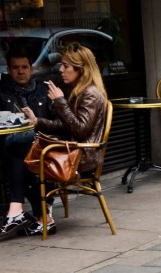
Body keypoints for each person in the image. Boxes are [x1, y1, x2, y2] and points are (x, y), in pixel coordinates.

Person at [21, 42, 108, 236]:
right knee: (26, 155)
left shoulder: (90, 94)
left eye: (66, 66)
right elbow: (68, 126)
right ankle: (40, 216)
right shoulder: (81, 91)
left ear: (81, 69)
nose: (61, 70)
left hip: (82, 158)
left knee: (27, 162)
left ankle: (43, 218)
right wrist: (37, 121)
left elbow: (79, 131)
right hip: (76, 151)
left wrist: (59, 101)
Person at [0, 44, 52, 239]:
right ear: (9, 70)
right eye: (15, 67)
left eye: (24, 67)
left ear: (31, 69)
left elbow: (57, 121)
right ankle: (43, 216)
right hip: (9, 144)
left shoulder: (44, 90)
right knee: (19, 150)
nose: (20, 71)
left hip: (42, 146)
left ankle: (18, 211)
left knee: (20, 155)